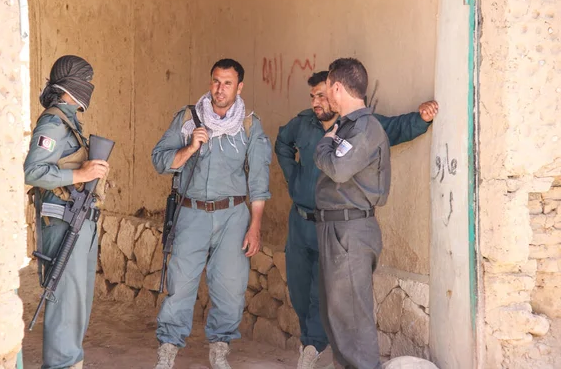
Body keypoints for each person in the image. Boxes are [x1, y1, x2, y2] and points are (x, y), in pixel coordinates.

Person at [275, 71, 438, 368]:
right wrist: (293, 177)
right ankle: (316, 345)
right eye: (312, 96)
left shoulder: (357, 127)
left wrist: (421, 119)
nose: (318, 101)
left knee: (344, 306)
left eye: (323, 94)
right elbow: (282, 143)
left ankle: (312, 347)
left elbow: (394, 128)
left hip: (344, 225)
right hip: (305, 221)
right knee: (315, 297)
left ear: (336, 91)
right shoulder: (303, 123)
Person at [151, 58, 272, 369]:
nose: (220, 89)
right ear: (210, 82)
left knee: (231, 287)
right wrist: (190, 147)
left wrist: (255, 226)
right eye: (216, 81)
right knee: (180, 284)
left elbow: (258, 180)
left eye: (227, 83)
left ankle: (219, 349)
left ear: (239, 87)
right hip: (191, 212)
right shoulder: (188, 118)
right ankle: (167, 352)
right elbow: (160, 160)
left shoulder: (248, 124)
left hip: (233, 215)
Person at [24, 55, 110, 369]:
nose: (89, 87)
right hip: (61, 222)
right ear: (70, 85)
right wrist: (79, 175)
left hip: (77, 219)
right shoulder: (53, 122)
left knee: (78, 302)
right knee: (65, 300)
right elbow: (33, 171)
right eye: (85, 81)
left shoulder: (69, 121)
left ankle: (70, 362)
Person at [314, 58, 393, 369]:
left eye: (327, 90)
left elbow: (338, 167)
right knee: (337, 316)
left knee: (353, 321)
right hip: (337, 229)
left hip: (350, 231)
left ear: (337, 87)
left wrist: (323, 144)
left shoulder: (363, 128)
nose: (325, 98)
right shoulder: (347, 127)